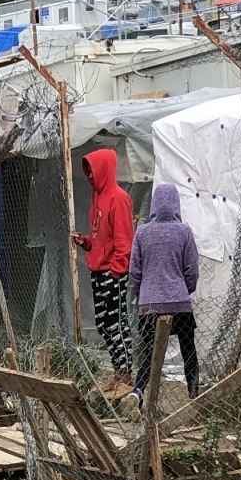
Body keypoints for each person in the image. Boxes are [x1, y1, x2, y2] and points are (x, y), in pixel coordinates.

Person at [71, 147, 135, 391]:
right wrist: (86, 242)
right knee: (103, 323)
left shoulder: (118, 198)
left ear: (103, 170)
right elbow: (102, 239)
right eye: (87, 171)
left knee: (117, 323)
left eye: (92, 171)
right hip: (99, 270)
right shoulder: (98, 199)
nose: (89, 176)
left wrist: (117, 271)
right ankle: (117, 372)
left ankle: (126, 375)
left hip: (112, 272)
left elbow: (123, 241)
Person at [130, 182, 200, 404]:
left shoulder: (142, 233)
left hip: (150, 304)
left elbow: (134, 271)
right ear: (176, 204)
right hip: (179, 302)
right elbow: (192, 269)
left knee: (149, 353)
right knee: (188, 350)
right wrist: (183, 288)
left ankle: (138, 393)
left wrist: (146, 289)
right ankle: (194, 396)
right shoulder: (184, 232)